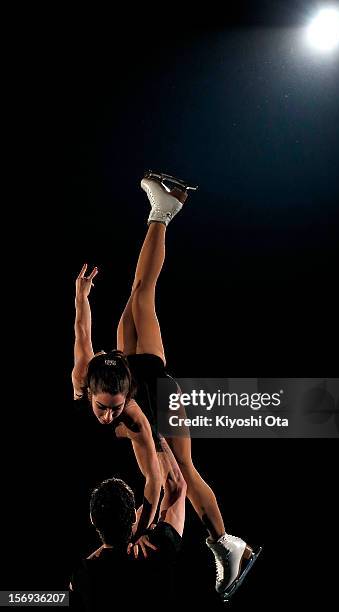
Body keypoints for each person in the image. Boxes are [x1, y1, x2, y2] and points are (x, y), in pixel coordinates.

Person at [72, 171, 261, 600]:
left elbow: (157, 481)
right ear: (93, 388)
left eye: (115, 407)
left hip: (159, 389)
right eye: (104, 408)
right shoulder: (85, 374)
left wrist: (144, 529)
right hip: (140, 369)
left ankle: (227, 544)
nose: (109, 415)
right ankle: (163, 209)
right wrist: (82, 299)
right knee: (140, 294)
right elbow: (82, 336)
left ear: (124, 392)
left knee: (185, 469)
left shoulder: (135, 417)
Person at [69, 433, 187, 610]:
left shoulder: (83, 576)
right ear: (133, 515)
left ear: (93, 520)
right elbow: (176, 486)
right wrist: (153, 433)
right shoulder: (155, 547)